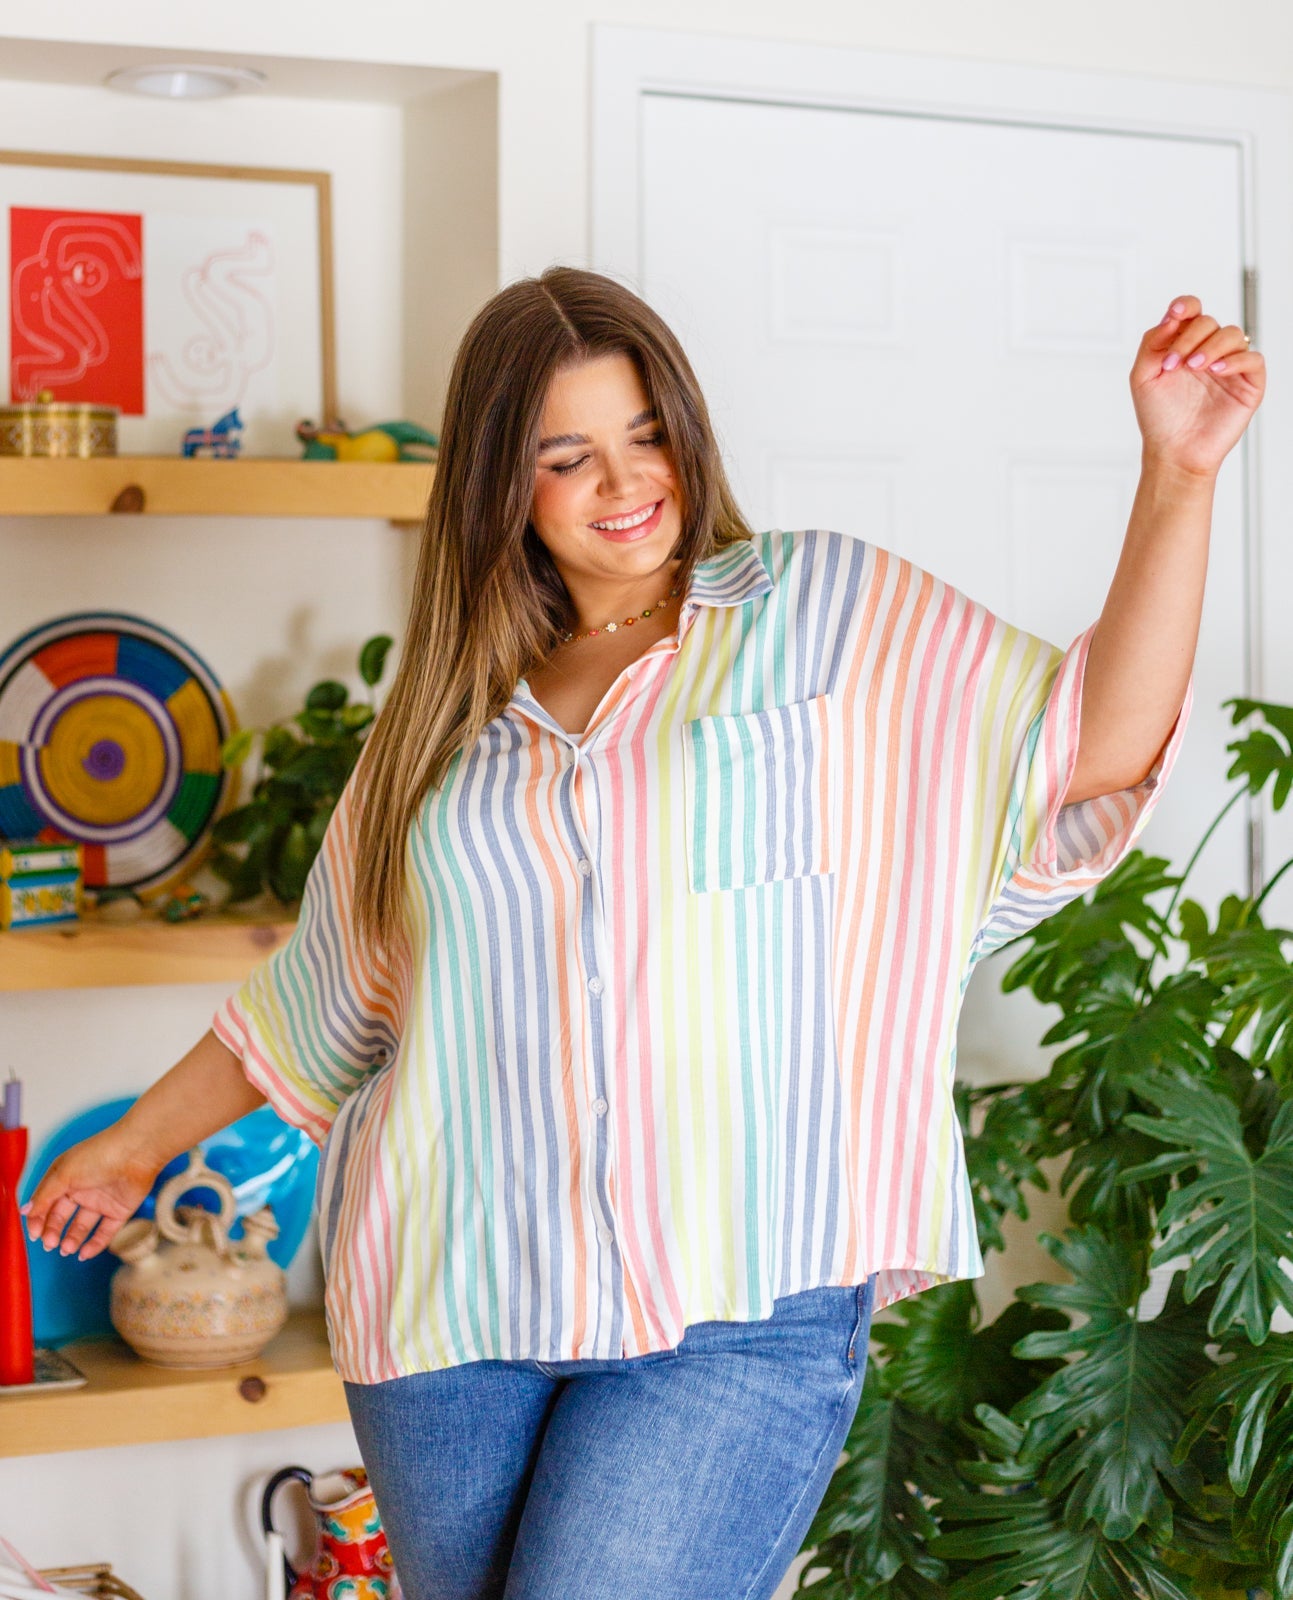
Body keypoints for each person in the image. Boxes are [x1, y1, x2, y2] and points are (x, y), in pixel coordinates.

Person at [23, 268, 1264, 1599]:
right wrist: (135, 1146)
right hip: (454, 1313)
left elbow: (1093, 745)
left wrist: (1177, 477)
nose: (625, 481)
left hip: (737, 1310)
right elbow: (327, 998)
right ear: (505, 485)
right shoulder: (442, 719)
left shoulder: (830, 616)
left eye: (644, 432)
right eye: (567, 455)